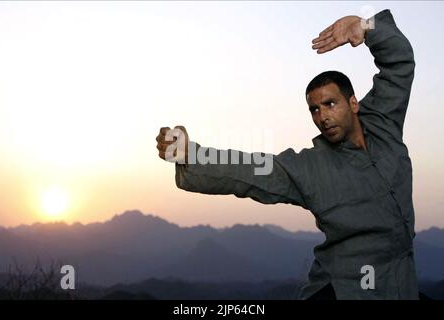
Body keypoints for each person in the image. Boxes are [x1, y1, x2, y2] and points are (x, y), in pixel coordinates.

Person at [156, 9, 419, 299]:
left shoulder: (383, 121)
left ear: (353, 103)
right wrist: (191, 155)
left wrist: (364, 26)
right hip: (345, 288)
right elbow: (250, 170)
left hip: (401, 282)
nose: (323, 117)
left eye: (331, 104)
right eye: (315, 109)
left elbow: (399, 64)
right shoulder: (311, 167)